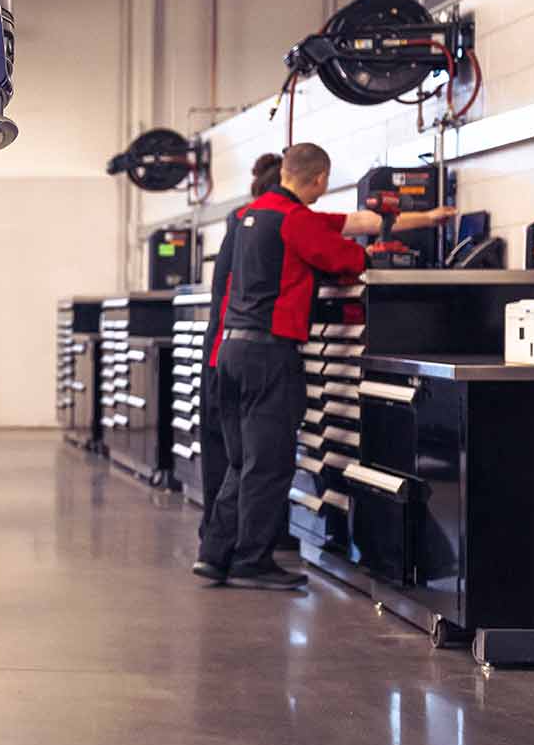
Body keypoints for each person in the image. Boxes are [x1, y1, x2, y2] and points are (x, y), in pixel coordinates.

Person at [195, 143, 453, 588]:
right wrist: (373, 255)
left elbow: (354, 223)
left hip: (231, 354)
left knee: (241, 462)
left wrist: (427, 218)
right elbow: (347, 257)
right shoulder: (295, 220)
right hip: (269, 355)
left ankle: (215, 554)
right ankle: (252, 561)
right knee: (270, 462)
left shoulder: (253, 214)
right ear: (319, 179)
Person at [194, 154, 280, 558]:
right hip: (238, 352)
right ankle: (228, 545)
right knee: (239, 457)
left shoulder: (240, 220)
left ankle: (216, 540)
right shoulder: (260, 223)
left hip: (220, 352)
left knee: (225, 454)